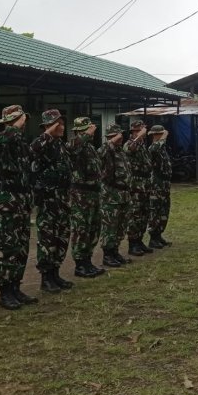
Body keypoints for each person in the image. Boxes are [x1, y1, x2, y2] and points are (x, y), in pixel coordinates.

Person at [0, 105, 37, 310]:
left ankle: (15, 287)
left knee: (21, 248)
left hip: (22, 200)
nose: (23, 124)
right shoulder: (2, 141)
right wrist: (14, 126)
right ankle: (5, 291)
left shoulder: (20, 144)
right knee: (7, 248)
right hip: (7, 201)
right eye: (20, 121)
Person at [31, 109, 74, 293]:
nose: (62, 127)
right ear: (50, 126)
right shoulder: (43, 143)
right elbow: (32, 150)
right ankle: (46, 277)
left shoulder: (60, 145)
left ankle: (55, 273)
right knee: (48, 238)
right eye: (59, 124)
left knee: (61, 237)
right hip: (48, 199)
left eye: (63, 124)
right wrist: (47, 133)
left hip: (62, 198)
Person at [68, 116, 105, 278]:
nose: (90, 133)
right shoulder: (74, 145)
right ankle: (80, 264)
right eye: (86, 130)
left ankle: (87, 260)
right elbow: (73, 147)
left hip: (93, 192)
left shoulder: (89, 148)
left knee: (93, 227)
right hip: (80, 194)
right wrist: (87, 134)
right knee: (81, 228)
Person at [99, 123, 132, 267]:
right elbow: (100, 153)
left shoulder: (121, 151)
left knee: (121, 225)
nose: (120, 137)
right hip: (111, 194)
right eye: (117, 135)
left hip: (123, 193)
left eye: (120, 135)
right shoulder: (106, 150)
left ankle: (115, 251)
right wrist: (111, 142)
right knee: (110, 226)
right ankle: (107, 254)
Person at [125, 120, 153, 257]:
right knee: (135, 214)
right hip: (135, 184)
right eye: (141, 129)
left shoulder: (142, 145)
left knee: (144, 213)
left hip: (145, 183)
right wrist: (139, 137)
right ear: (135, 131)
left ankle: (139, 240)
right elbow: (129, 149)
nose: (144, 132)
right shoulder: (130, 143)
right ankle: (132, 243)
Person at [147, 124, 173, 249]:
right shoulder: (153, 147)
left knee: (164, 210)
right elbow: (153, 149)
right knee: (155, 211)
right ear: (154, 135)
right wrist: (163, 138)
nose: (163, 136)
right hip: (156, 185)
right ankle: (153, 237)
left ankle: (159, 235)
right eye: (160, 134)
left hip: (164, 185)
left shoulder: (162, 148)